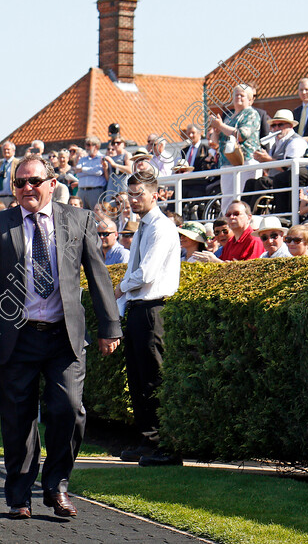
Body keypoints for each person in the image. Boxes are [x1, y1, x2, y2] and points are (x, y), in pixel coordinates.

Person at [0, 154, 121, 519]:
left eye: (34, 181)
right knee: (18, 419)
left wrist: (110, 326)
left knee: (69, 410)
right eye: (19, 183)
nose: (26, 189)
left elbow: (99, 277)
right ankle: (19, 496)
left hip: (64, 339)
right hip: (15, 340)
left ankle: (57, 486)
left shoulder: (80, 220)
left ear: (53, 183)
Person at [114, 172, 181, 467]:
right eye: (130, 194)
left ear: (155, 194)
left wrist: (119, 288)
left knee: (154, 378)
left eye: (138, 193)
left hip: (154, 308)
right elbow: (135, 273)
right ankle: (148, 439)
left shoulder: (161, 228)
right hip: (138, 309)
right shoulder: (143, 227)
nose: (133, 199)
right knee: (139, 378)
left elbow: (147, 274)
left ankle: (165, 445)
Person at [209, 85, 261, 210]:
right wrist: (216, 129)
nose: (238, 97)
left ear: (249, 99)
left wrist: (220, 126)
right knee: (227, 199)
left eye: (242, 95)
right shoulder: (229, 117)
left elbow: (242, 135)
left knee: (243, 197)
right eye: (236, 95)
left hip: (245, 160)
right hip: (227, 162)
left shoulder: (251, 113)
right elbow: (215, 142)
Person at [192, 201, 264, 262]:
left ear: (249, 217)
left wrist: (216, 261)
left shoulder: (255, 240)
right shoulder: (230, 242)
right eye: (228, 215)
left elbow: (252, 271)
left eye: (236, 214)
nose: (232, 217)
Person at [73, 136, 107, 209]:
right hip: (82, 191)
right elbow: (78, 172)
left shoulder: (102, 158)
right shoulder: (83, 159)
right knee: (82, 215)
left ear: (96, 146)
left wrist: (83, 169)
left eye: (88, 145)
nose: (86, 147)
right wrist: (91, 170)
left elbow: (99, 171)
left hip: (95, 191)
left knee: (96, 215)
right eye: (86, 145)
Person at [0, 141, 18, 205]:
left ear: (13, 151)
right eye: (4, 150)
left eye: (8, 149)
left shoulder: (17, 163)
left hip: (11, 198)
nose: (6, 151)